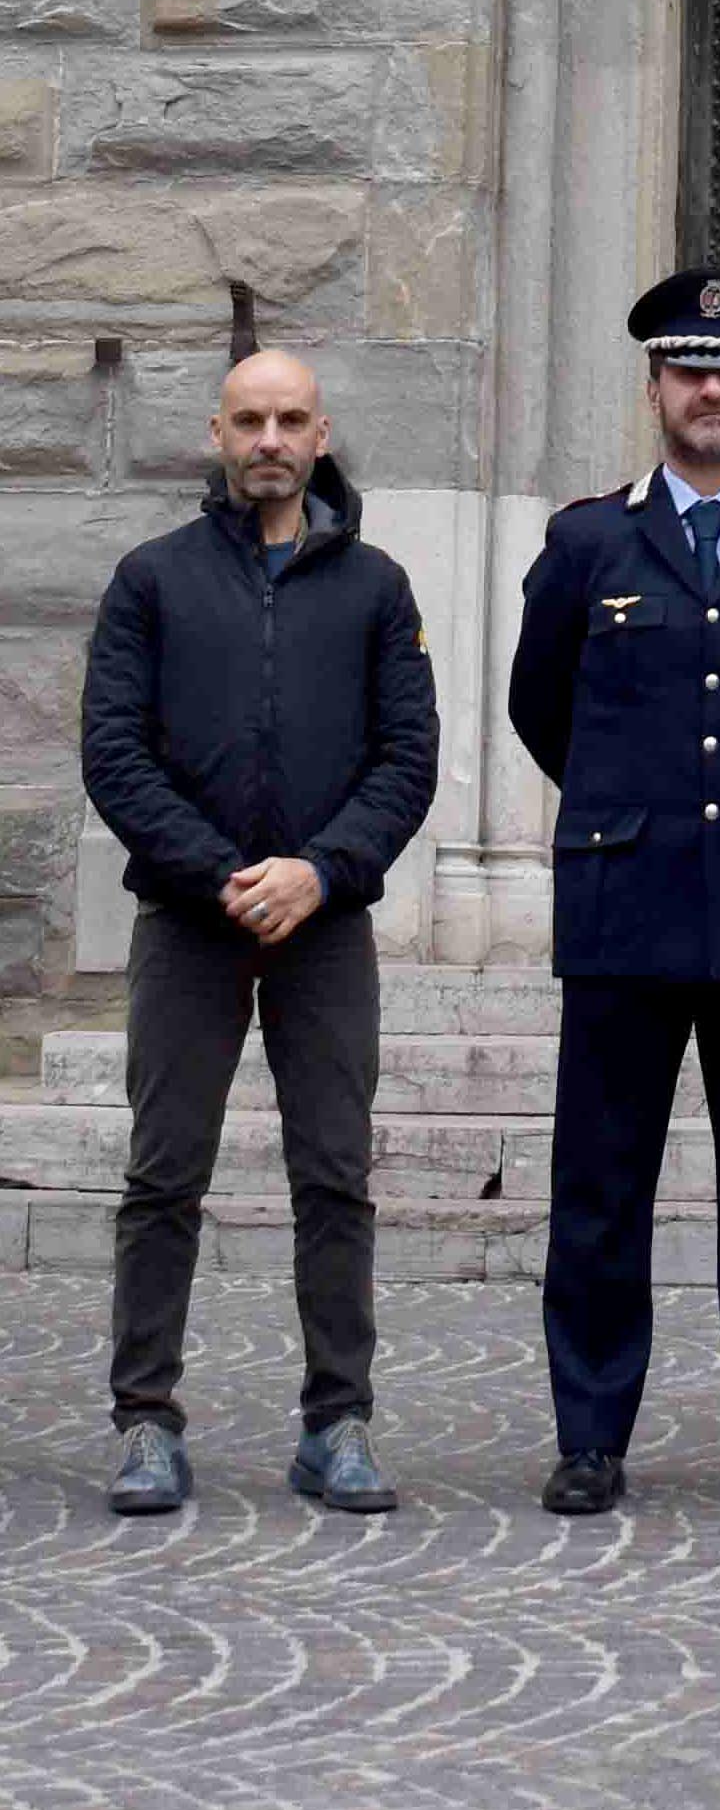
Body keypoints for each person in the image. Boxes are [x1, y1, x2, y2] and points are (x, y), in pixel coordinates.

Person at [505, 270, 720, 1516]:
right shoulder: (587, 543)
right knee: (602, 1192)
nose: (713, 390)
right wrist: (627, 801)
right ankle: (591, 1435)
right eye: (691, 369)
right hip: (625, 908)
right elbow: (539, 704)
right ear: (655, 386)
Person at [79, 348, 438, 1517]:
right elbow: (113, 754)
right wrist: (222, 873)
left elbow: (408, 759)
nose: (270, 440)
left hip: (325, 926)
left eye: (290, 420)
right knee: (162, 1176)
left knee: (334, 1175)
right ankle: (145, 1421)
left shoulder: (377, 588)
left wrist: (320, 872)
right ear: (217, 435)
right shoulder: (152, 579)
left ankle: (338, 1422)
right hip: (190, 921)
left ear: (321, 434)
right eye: (250, 420)